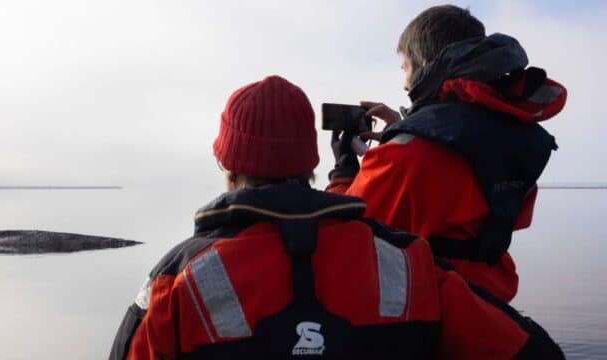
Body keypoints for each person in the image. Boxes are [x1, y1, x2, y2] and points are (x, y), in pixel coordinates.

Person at [109, 75, 563, 359]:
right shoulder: (412, 266)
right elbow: (531, 351)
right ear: (309, 165)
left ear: (228, 166)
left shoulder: (175, 282)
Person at [327, 5, 566, 303]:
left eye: (405, 68)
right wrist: (403, 128)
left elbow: (342, 232)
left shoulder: (406, 153)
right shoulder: (516, 135)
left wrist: (343, 171)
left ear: (425, 65)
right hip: (490, 303)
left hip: (428, 306)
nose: (404, 83)